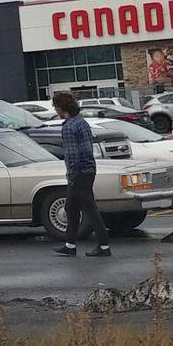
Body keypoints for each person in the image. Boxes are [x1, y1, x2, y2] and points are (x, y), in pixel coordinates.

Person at [51, 89, 110, 256]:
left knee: (89, 208)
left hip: (79, 173)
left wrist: (71, 175)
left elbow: (72, 154)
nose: (55, 110)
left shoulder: (69, 127)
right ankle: (70, 244)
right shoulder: (82, 122)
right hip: (89, 169)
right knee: (71, 207)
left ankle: (104, 246)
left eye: (56, 107)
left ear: (62, 107)